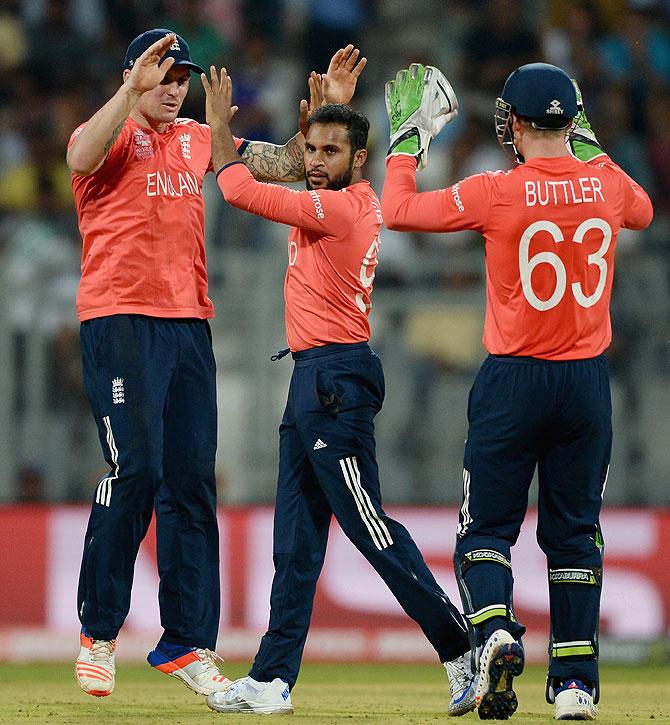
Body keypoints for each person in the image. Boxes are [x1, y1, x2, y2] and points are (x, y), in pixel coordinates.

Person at [67, 28, 365, 698]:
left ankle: (188, 643)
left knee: (192, 483)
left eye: (181, 79)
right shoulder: (107, 129)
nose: (174, 89)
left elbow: (285, 165)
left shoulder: (198, 138)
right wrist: (130, 90)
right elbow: (81, 158)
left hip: (188, 325)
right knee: (134, 467)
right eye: (162, 76)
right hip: (120, 319)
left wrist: (323, 114)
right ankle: (100, 631)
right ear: (134, 75)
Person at [199, 66, 476, 717]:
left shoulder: (345, 206)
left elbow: (238, 187)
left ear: (361, 159)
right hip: (311, 377)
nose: (316, 162)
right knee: (295, 545)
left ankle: (461, 644)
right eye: (313, 150)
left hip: (335, 382)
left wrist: (217, 126)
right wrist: (326, 112)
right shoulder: (332, 194)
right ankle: (272, 678)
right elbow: (284, 168)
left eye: (331, 152)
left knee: (370, 528)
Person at [381, 62, 653, 720]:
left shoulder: (497, 191)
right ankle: (575, 685)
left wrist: (406, 144)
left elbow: (396, 211)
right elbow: (642, 211)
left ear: (520, 124)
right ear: (573, 120)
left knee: (486, 530)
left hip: (514, 379)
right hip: (586, 384)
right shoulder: (607, 185)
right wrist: (586, 140)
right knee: (576, 535)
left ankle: (496, 629)